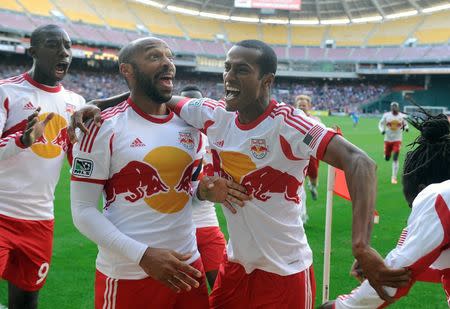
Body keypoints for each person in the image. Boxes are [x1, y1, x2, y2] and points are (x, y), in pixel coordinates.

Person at [71, 39, 411, 308]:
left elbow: (360, 163)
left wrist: (361, 245)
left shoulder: (289, 123)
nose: (229, 78)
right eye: (227, 68)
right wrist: (95, 105)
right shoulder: (213, 115)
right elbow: (152, 94)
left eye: (242, 70)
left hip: (285, 271)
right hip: (235, 269)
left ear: (267, 80)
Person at [70, 38, 248, 309]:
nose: (168, 63)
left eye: (170, 56)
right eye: (154, 57)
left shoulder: (190, 125)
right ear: (126, 70)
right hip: (129, 273)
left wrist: (202, 190)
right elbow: (82, 211)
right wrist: (143, 256)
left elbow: (179, 191)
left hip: (187, 268)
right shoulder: (101, 126)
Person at [320, 111, 450, 308]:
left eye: (414, 207)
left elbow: (392, 281)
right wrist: (382, 265)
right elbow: (435, 264)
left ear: (424, 190)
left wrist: (335, 306)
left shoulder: (440, 195)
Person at [0, 24, 85, 308]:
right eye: (53, 44)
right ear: (33, 51)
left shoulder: (76, 102)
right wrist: (22, 140)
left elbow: (79, 164)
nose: (64, 52)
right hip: (1, 213)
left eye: (68, 46)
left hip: (40, 220)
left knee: (26, 302)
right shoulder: (7, 92)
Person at [180, 85, 227, 288]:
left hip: (208, 224)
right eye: (184, 106)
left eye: (195, 106)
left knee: (221, 290)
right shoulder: (166, 140)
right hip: (176, 229)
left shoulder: (217, 139)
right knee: (184, 295)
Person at [294, 94, 320, 201]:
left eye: (304, 104)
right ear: (295, 105)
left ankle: (313, 186)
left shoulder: (315, 120)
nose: (302, 105)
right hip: (295, 154)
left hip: (311, 154)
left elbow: (316, 135)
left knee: (313, 176)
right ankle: (301, 211)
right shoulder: (290, 118)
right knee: (297, 182)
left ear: (309, 106)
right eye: (300, 104)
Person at [378, 102, 409, 184]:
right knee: (387, 158)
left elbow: (405, 124)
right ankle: (386, 155)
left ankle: (394, 177)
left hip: (397, 139)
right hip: (387, 139)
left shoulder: (402, 116)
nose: (394, 108)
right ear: (391, 108)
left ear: (398, 107)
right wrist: (382, 130)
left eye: (395, 107)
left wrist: (406, 128)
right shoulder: (386, 115)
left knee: (395, 157)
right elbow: (380, 124)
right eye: (392, 107)